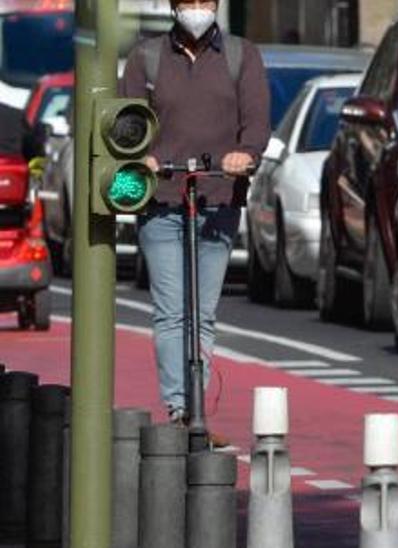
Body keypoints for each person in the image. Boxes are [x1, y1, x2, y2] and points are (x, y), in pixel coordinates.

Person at [120, 0, 269, 445]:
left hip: (218, 197)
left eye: (205, 1)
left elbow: (257, 124)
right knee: (171, 311)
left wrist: (246, 155)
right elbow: (128, 124)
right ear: (173, 6)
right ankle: (180, 409)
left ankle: (197, 410)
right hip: (162, 199)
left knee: (202, 313)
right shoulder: (146, 57)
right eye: (188, 1)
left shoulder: (242, 56)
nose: (197, 9)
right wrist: (139, 156)